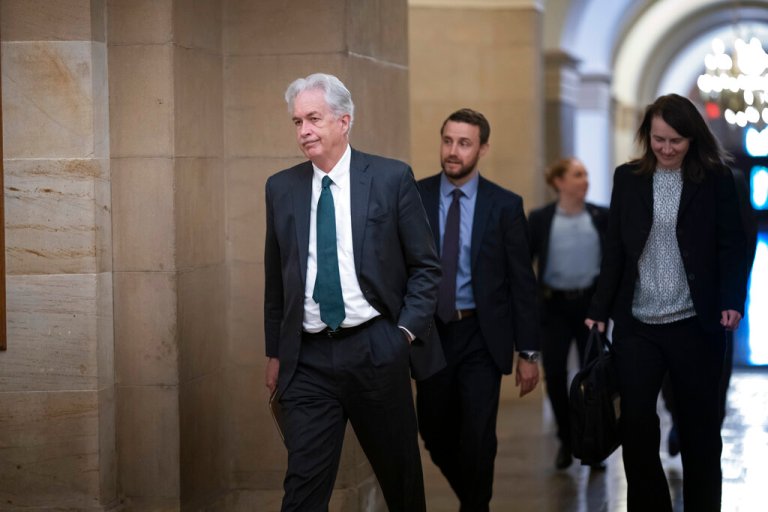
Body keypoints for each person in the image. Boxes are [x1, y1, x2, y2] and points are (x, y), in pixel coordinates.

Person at [263, 73, 444, 512]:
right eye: (297, 122)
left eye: (314, 118)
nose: (304, 130)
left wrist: (399, 336)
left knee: (400, 482)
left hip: (375, 351)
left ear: (344, 121)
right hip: (306, 361)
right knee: (302, 488)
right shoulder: (281, 188)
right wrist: (275, 351)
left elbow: (426, 267)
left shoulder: (390, 178)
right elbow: (275, 278)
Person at [585, 93, 751, 512]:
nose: (666, 148)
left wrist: (732, 298)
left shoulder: (715, 180)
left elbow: (734, 245)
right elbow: (616, 251)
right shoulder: (629, 178)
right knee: (637, 427)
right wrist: (598, 310)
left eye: (676, 140)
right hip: (639, 324)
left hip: (695, 323)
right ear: (647, 136)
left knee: (699, 430)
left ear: (692, 138)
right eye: (658, 139)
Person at [415, 108, 540, 512]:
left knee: (478, 434)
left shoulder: (504, 205)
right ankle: (474, 499)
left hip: (480, 336)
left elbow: (522, 283)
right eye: (448, 140)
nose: (453, 151)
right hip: (431, 334)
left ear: (482, 148)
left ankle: (475, 507)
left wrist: (529, 352)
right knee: (432, 428)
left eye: (464, 143)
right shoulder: (415, 197)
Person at [528, 157, 608, 470]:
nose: (584, 180)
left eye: (586, 174)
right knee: (557, 375)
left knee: (594, 377)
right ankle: (566, 438)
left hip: (590, 308)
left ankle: (592, 442)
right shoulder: (541, 219)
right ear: (559, 182)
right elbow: (523, 263)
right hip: (554, 308)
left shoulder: (600, 216)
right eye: (577, 175)